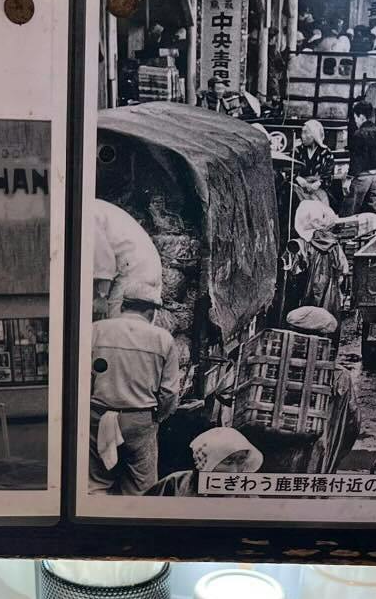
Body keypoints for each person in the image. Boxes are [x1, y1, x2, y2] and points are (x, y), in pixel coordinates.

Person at [90, 282, 179, 496]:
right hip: (139, 420)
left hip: (98, 416)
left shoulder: (96, 330)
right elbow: (169, 393)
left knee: (96, 483)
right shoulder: (163, 339)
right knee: (141, 489)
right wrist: (156, 418)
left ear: (123, 306)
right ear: (151, 312)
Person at [91, 199, 163, 321]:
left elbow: (104, 262)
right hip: (142, 267)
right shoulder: (95, 208)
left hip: (135, 271)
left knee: (118, 324)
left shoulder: (86, 213)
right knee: (132, 326)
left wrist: (100, 297)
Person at [148, 427, 264, 496]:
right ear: (207, 462)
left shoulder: (246, 493)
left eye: (241, 461)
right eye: (228, 462)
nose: (235, 471)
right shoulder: (175, 484)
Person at [347, 101, 376, 219]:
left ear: (361, 117)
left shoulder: (358, 134)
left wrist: (348, 179)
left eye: (356, 118)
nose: (355, 121)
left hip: (362, 176)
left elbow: (356, 161)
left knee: (351, 209)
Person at [292, 119, 331, 202]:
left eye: (306, 132)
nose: (302, 136)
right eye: (302, 132)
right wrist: (297, 178)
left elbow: (328, 175)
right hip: (299, 188)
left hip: (318, 189)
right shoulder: (297, 151)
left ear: (315, 134)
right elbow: (289, 170)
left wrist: (317, 184)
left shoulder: (326, 153)